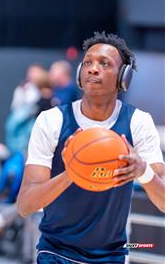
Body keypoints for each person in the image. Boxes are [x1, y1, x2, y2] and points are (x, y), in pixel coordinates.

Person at [18, 32, 165, 263]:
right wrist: (70, 173)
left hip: (111, 254)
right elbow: (25, 205)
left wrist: (142, 171)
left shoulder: (138, 122)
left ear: (123, 77)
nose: (93, 69)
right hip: (56, 252)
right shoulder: (52, 120)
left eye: (104, 63)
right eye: (87, 62)